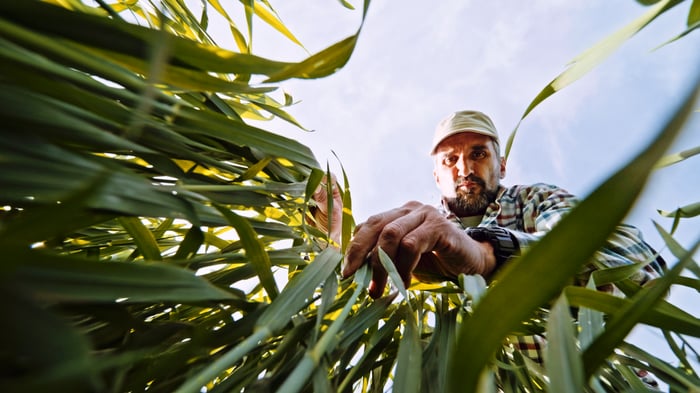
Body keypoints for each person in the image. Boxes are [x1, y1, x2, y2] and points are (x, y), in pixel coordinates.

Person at [310, 110, 665, 385]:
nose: (464, 168)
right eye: (450, 159)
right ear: (437, 175)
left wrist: (491, 254)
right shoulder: (416, 239)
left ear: (502, 165)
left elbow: (633, 263)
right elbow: (356, 323)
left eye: (478, 153)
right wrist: (336, 241)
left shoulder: (536, 201)